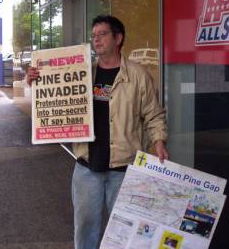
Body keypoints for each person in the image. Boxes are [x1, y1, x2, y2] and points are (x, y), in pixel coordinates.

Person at [27, 15, 169, 249]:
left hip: (124, 168)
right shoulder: (82, 73)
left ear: (118, 38)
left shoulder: (138, 76)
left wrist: (159, 141)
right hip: (87, 166)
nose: (96, 40)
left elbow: (153, 115)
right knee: (84, 228)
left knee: (125, 230)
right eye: (93, 36)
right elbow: (53, 107)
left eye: (102, 34)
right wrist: (36, 82)